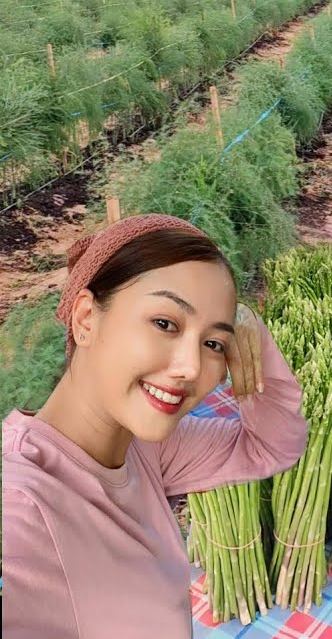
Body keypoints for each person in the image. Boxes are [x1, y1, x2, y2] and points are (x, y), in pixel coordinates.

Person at [1, 214, 308, 639]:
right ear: (86, 318)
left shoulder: (143, 449)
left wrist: (256, 342)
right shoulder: (21, 507)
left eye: (213, 342)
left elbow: (273, 447)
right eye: (165, 323)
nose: (191, 367)